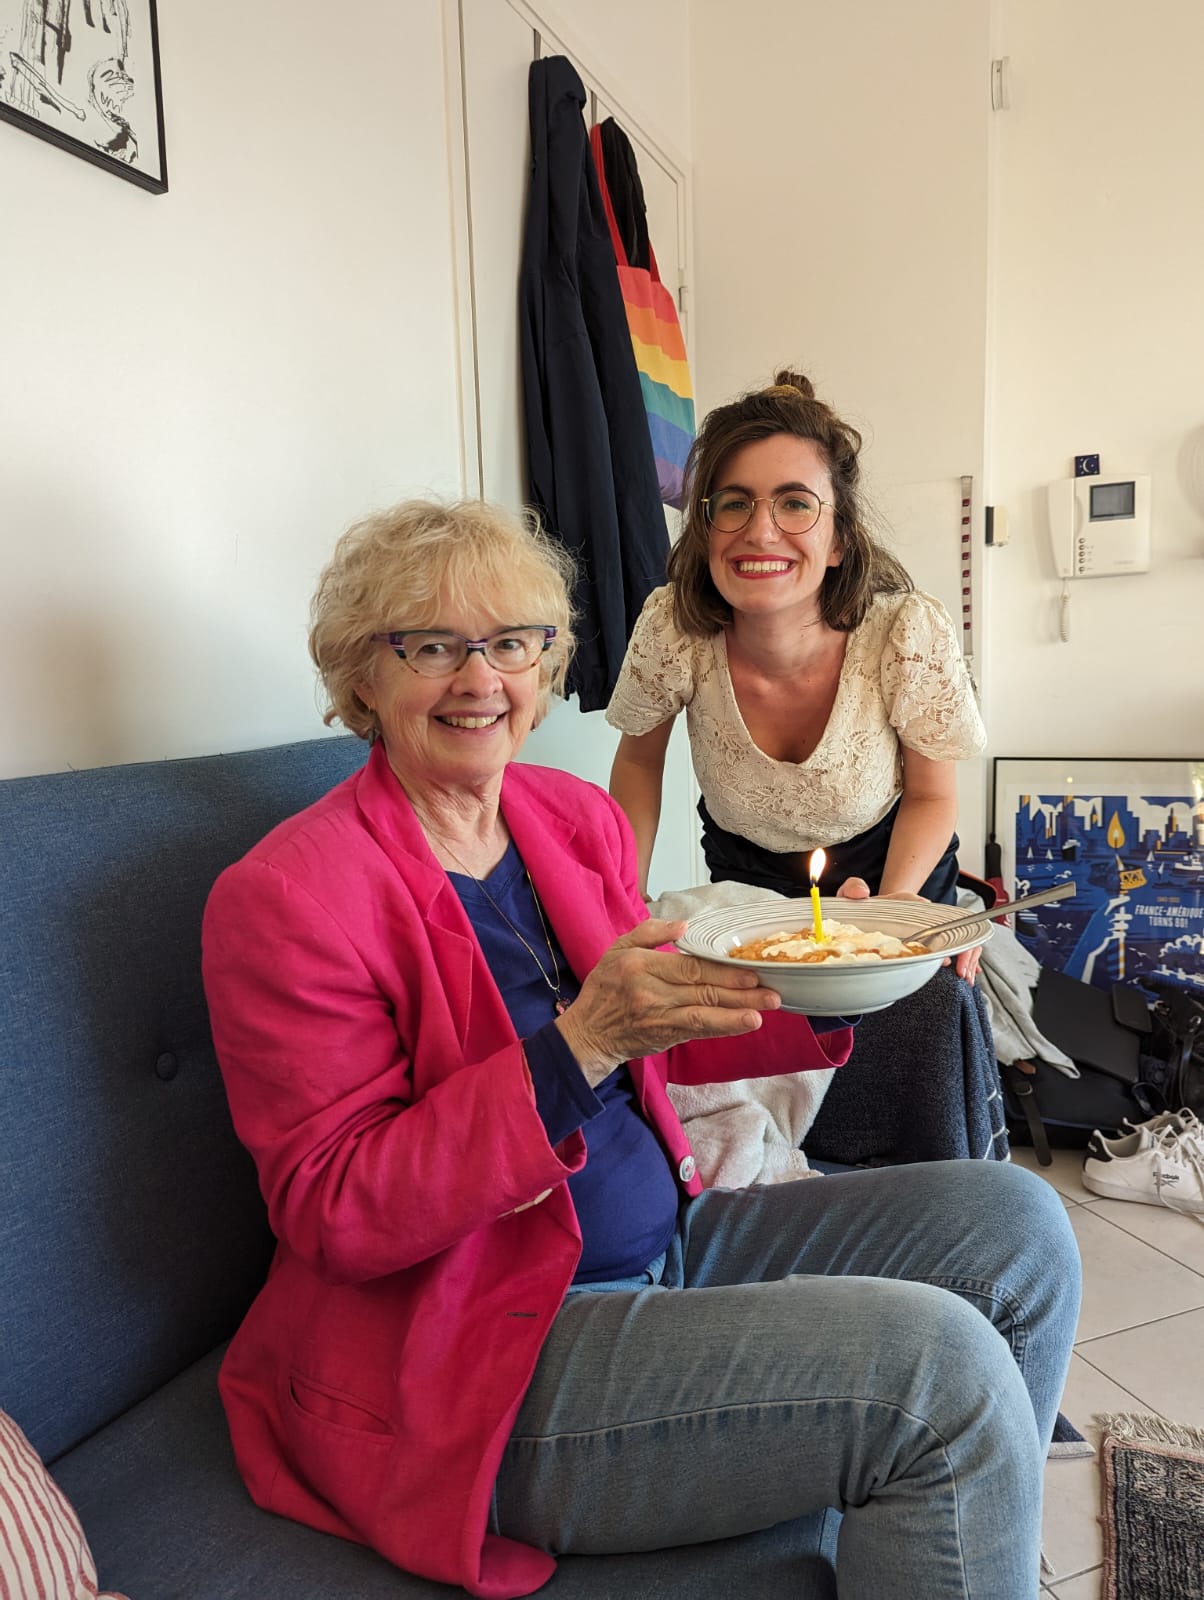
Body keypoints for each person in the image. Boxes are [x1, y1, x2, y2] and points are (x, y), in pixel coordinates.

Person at [201, 498, 1079, 1599]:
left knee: (1019, 1227)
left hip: (668, 1239)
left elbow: (665, 1020)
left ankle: (968, 1546)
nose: (481, 679)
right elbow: (337, 1206)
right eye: (431, 646)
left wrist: (842, 971)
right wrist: (580, 1045)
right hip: (483, 1351)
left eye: (512, 642)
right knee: (934, 1374)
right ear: (362, 676)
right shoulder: (289, 897)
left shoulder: (567, 818)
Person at [607, 369, 987, 979]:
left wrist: (892, 912)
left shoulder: (907, 633)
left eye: (795, 504)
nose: (760, 532)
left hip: (896, 875)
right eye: (735, 503)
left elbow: (932, 794)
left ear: (839, 540)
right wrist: (624, 897)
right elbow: (637, 765)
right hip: (744, 893)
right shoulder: (672, 628)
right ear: (706, 530)